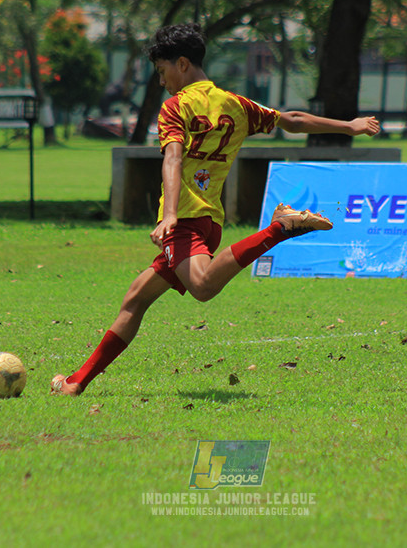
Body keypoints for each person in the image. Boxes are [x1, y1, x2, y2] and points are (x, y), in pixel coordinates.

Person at [51, 23, 380, 397]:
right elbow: (292, 120)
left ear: (183, 63)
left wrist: (171, 215)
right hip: (211, 221)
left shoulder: (176, 107)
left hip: (186, 220)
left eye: (163, 72)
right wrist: (348, 126)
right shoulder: (235, 104)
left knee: (203, 288)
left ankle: (279, 228)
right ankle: (76, 383)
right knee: (136, 298)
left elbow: (173, 158)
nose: (162, 82)